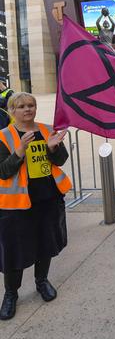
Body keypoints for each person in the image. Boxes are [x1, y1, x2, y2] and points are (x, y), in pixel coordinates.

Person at [0, 92, 72, 320]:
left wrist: (53, 148)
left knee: (45, 244)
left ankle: (42, 281)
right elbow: (3, 171)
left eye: (31, 105)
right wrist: (20, 150)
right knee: (14, 252)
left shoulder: (45, 129)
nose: (27, 109)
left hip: (47, 199)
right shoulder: (4, 136)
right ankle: (11, 294)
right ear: (12, 111)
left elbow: (60, 160)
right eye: (21, 106)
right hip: (16, 205)